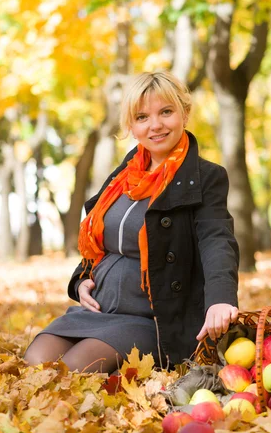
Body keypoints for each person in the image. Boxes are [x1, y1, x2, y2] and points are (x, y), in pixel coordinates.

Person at [24, 71, 239, 374]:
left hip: (150, 318)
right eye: (142, 117)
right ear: (131, 125)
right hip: (99, 310)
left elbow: (217, 239)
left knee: (72, 371)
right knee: (36, 363)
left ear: (184, 114)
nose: (155, 125)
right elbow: (100, 240)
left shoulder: (205, 178)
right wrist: (81, 279)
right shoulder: (124, 175)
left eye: (166, 112)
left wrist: (220, 300)